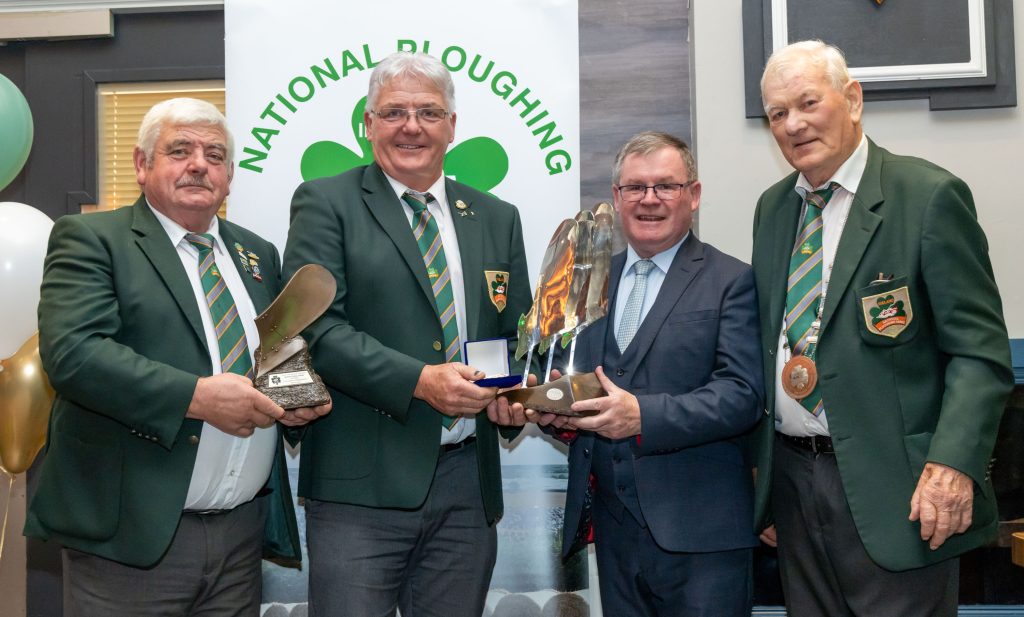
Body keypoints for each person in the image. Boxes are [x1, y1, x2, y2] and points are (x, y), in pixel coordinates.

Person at [25, 98, 331, 616]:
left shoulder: (258, 254)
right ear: (143, 166)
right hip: (132, 539)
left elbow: (275, 352)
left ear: (230, 176)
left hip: (239, 536)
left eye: (214, 154)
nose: (199, 164)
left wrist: (294, 402)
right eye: (180, 150)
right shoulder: (93, 239)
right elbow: (74, 355)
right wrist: (196, 398)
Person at [752, 40, 1013, 616]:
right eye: (777, 113)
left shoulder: (926, 197)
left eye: (807, 103)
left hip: (903, 493)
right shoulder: (773, 209)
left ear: (853, 100)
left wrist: (953, 465)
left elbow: (981, 354)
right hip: (795, 489)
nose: (793, 124)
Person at [281, 51, 532, 617]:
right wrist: (420, 381)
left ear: (451, 126)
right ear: (367, 125)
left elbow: (514, 330)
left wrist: (512, 391)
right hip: (360, 490)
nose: (411, 126)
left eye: (428, 112)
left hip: (466, 485)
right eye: (393, 112)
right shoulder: (326, 203)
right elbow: (314, 328)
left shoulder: (495, 215)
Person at [520, 131, 764, 617]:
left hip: (703, 539)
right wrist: (556, 413)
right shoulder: (590, 283)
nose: (649, 200)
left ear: (693, 196)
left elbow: (742, 396)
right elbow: (582, 385)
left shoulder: (731, 280)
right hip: (613, 537)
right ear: (616, 198)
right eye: (635, 188)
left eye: (666, 186)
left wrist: (641, 416)